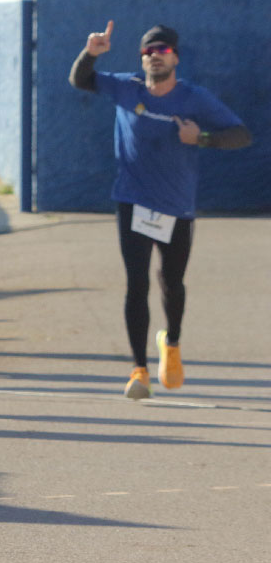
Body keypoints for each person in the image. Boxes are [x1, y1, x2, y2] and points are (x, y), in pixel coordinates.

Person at [69, 21, 252, 400]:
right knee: (136, 283)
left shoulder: (194, 98)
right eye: (148, 51)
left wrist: (200, 138)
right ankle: (139, 370)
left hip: (176, 206)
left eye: (162, 50)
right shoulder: (126, 86)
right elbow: (81, 80)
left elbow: (241, 135)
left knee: (172, 283)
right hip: (132, 201)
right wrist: (91, 53)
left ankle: (171, 344)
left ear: (175, 58)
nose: (154, 56)